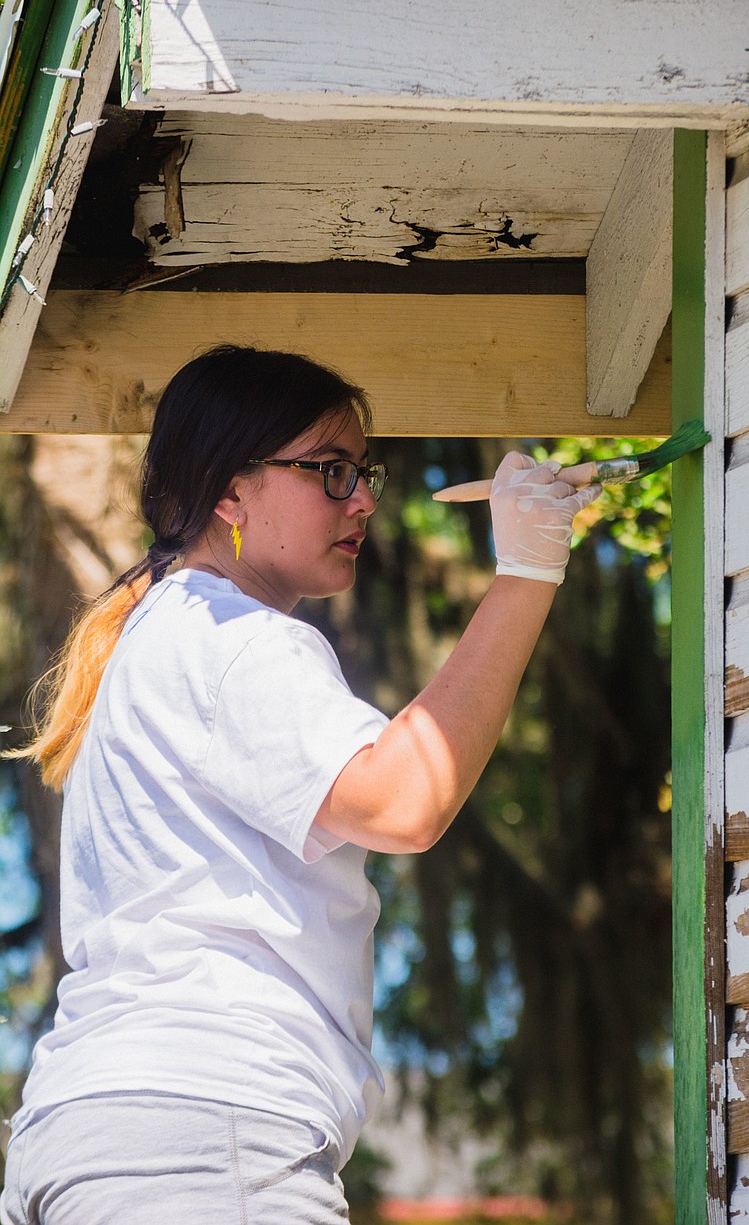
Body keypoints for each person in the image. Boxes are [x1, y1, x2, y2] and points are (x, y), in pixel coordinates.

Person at [0, 345, 601, 1224]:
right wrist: (527, 573)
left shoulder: (166, 632)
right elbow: (406, 798)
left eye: (364, 473)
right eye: (330, 470)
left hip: (100, 1133)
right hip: (201, 1134)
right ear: (229, 491)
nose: (363, 500)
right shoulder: (231, 638)